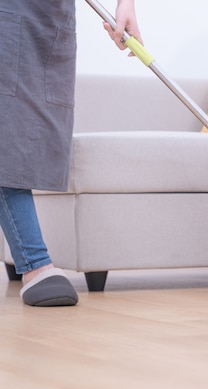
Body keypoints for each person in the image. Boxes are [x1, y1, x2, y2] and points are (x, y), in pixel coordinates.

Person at [0, 0, 143, 306]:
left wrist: (126, 4)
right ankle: (35, 264)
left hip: (55, 16)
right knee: (5, 130)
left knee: (45, 123)